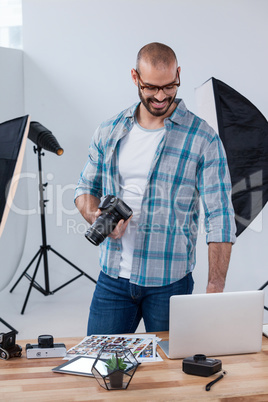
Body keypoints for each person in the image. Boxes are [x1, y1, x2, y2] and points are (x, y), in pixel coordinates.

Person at [74, 42, 236, 335]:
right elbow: (85, 186)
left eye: (169, 86)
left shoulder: (203, 138)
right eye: (151, 87)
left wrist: (215, 287)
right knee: (99, 367)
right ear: (135, 78)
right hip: (113, 279)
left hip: (170, 284)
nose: (161, 96)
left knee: (174, 375)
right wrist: (97, 217)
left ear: (179, 75)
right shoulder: (109, 130)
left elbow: (221, 216)